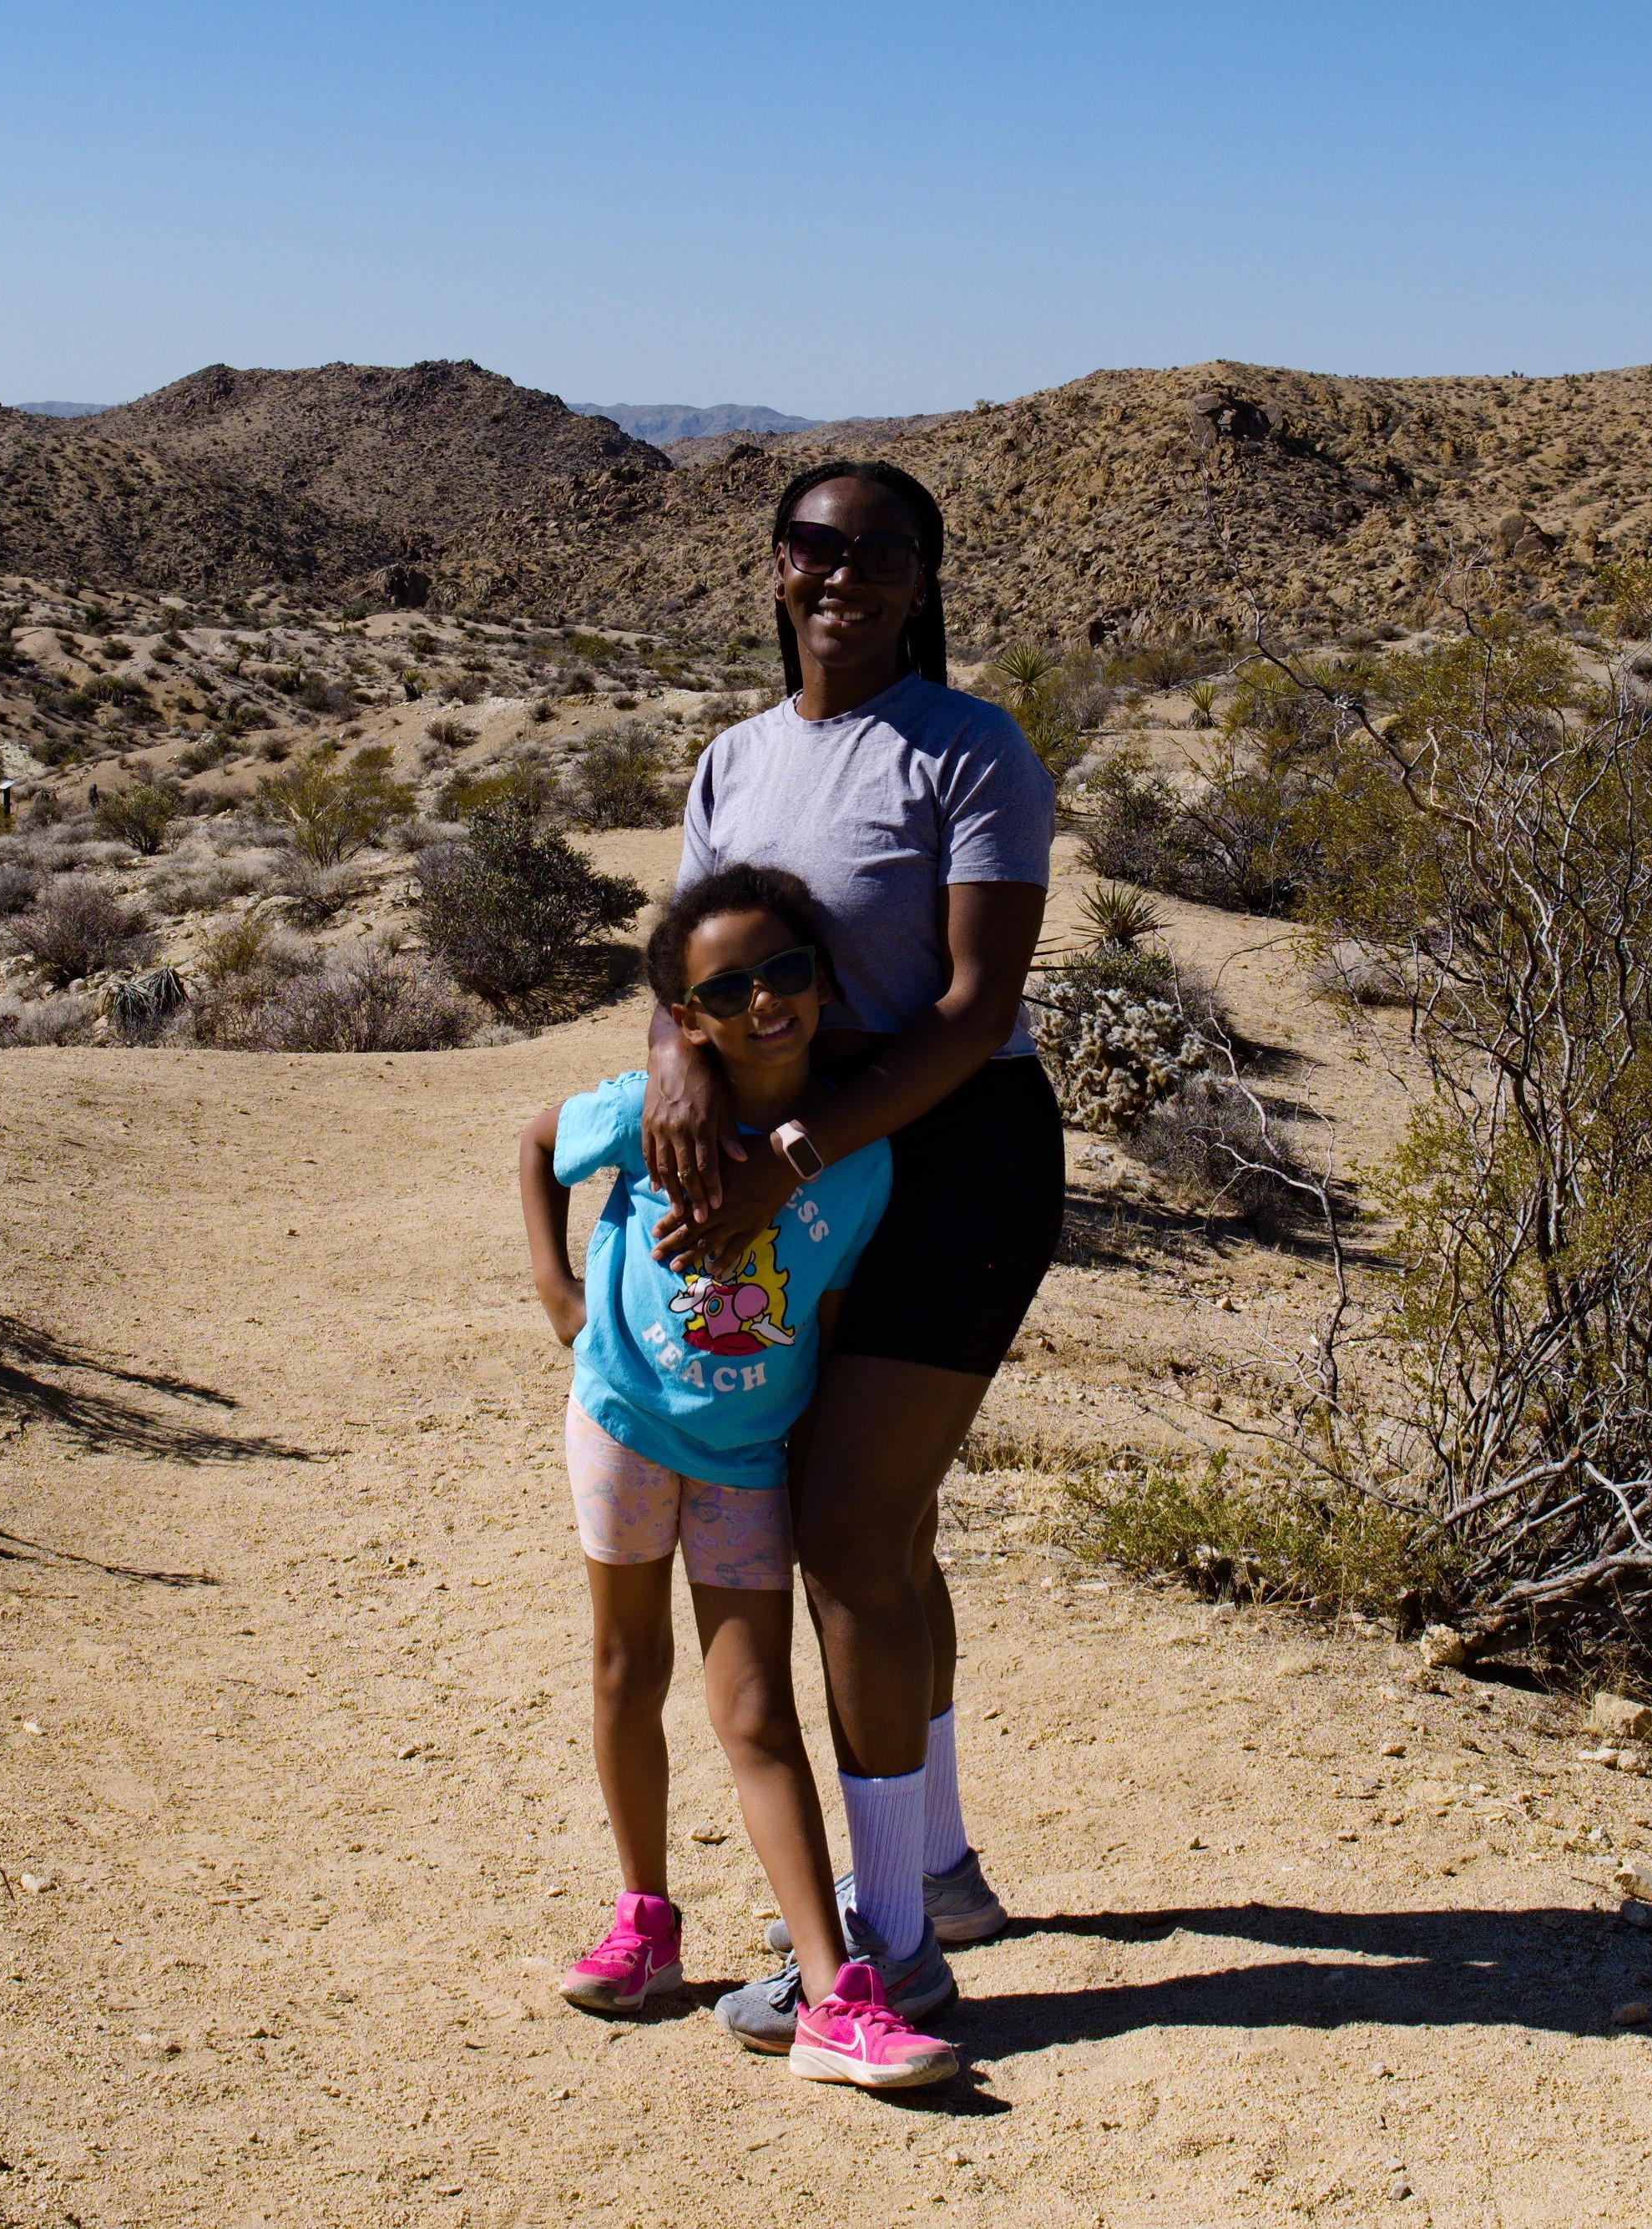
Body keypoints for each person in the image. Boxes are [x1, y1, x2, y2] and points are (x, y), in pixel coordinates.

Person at [639, 462, 1061, 2047]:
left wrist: (789, 1155)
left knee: (843, 1532)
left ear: (921, 580)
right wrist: (687, 1074)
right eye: (820, 547)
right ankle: (936, 1866)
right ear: (774, 569)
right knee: (887, 1530)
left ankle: (884, 1942)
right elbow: (691, 961)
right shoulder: (735, 759)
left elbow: (969, 1007)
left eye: (885, 553)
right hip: (797, 1175)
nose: (848, 576)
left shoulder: (972, 750)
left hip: (949, 1155)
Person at [517, 864, 959, 2090]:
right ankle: (646, 1920)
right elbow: (542, 1140)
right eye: (727, 986)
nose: (765, 999)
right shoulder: (656, 1114)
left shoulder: (854, 1161)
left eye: (786, 970)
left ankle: (833, 1991)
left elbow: (835, 1305)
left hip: (748, 1456)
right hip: (622, 1423)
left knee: (756, 1706)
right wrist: (559, 1295)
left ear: (822, 982)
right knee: (626, 1663)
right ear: (688, 1015)